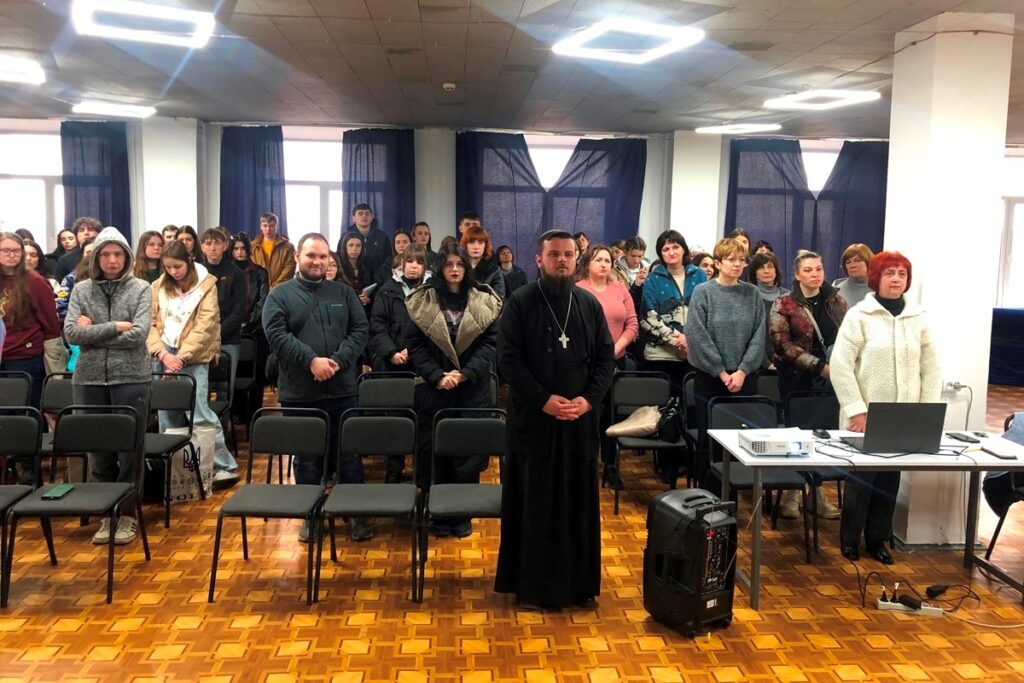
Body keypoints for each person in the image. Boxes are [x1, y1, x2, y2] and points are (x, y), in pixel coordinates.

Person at [494, 229, 615, 609]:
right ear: (539, 259)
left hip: (578, 422)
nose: (562, 260)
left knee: (577, 503)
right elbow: (508, 360)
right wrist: (543, 400)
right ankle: (532, 588)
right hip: (534, 422)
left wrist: (588, 400)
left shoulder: (588, 303)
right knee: (535, 503)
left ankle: (578, 587)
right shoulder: (520, 301)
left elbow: (605, 358)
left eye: (567, 254)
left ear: (576, 259)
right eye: (554, 254)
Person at [830, 251, 940, 564]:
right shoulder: (859, 316)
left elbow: (931, 367)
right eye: (889, 273)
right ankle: (850, 539)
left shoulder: (918, 317)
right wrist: (856, 410)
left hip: (903, 417)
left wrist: (925, 413)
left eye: (901, 274)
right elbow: (840, 365)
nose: (896, 279)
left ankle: (878, 540)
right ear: (876, 278)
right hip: (865, 416)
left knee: (889, 480)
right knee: (862, 479)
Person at [263, 233, 370, 542]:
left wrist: (337, 361)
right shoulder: (279, 295)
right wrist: (311, 361)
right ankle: (311, 515)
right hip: (300, 392)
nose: (318, 261)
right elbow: (276, 334)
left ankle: (355, 512)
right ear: (298, 256)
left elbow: (360, 330)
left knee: (349, 455)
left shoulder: (344, 293)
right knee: (307, 457)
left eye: (323, 256)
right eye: (311, 255)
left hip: (343, 388)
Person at [406, 244, 502, 537]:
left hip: (471, 388)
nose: (455, 269)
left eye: (460, 264)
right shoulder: (422, 299)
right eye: (449, 264)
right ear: (440, 268)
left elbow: (490, 344)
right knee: (436, 452)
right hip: (435, 388)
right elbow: (415, 345)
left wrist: (464, 374)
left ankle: (462, 514)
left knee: (467, 452)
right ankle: (438, 512)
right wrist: (437, 375)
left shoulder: (484, 299)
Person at [64, 227, 152, 545]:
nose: (112, 260)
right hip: (88, 379)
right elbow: (72, 333)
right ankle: (106, 514)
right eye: (105, 254)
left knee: (130, 451)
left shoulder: (141, 288)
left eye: (117, 254)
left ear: (126, 257)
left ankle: (126, 514)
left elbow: (139, 335)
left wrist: (93, 333)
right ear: (96, 258)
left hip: (132, 378)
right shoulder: (81, 290)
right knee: (98, 450)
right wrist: (115, 326)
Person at [148, 240, 238, 487]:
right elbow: (150, 323)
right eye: (168, 267)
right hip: (163, 355)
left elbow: (205, 325)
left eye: (177, 266)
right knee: (167, 415)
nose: (173, 272)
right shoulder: (157, 286)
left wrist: (181, 357)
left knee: (198, 413)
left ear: (188, 261)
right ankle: (178, 472)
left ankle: (223, 466)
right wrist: (162, 354)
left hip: (193, 357)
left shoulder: (206, 284)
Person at [768, 250, 846, 520]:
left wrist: (836, 367)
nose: (815, 274)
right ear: (797, 274)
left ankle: (817, 493)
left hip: (830, 381)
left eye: (818, 269)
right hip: (796, 379)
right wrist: (819, 367)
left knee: (823, 438)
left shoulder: (836, 301)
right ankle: (793, 493)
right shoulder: (784, 303)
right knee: (797, 438)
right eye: (808, 270)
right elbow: (782, 344)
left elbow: (848, 337)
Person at [686, 237, 766, 480]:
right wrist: (721, 372)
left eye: (742, 260)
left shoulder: (752, 293)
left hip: (744, 378)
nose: (737, 264)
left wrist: (743, 370)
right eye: (731, 259)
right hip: (711, 378)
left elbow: (759, 335)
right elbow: (697, 335)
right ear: (718, 263)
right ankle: (708, 494)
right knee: (710, 440)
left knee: (742, 438)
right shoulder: (703, 292)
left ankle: (738, 493)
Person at [576, 244, 639, 486]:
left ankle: (611, 466)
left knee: (611, 416)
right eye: (598, 260)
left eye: (607, 260)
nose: (603, 264)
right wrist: (601, 358)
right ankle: (586, 465)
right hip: (586, 363)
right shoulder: (578, 289)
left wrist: (613, 352)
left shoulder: (620, 288)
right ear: (587, 264)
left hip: (616, 360)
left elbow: (632, 323)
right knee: (588, 414)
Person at [0, 232, 61, 408]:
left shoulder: (34, 281)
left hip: (25, 357)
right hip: (3, 353)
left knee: (25, 409)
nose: (12, 255)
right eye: (6, 250)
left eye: (16, 251)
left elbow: (50, 323)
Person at [640, 230, 706, 391]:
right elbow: (647, 317)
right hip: (660, 356)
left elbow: (707, 313)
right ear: (660, 254)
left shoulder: (700, 275)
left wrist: (689, 340)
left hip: (694, 353)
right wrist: (677, 341)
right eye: (666, 249)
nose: (671, 252)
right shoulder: (652, 279)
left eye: (675, 247)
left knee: (692, 403)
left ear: (684, 249)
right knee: (660, 404)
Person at [200, 227, 246, 446]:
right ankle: (203, 435)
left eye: (217, 243)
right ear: (202, 246)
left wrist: (216, 333)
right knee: (203, 387)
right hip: (201, 340)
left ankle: (222, 437)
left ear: (225, 245)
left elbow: (238, 311)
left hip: (228, 340)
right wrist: (205, 335)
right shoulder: (197, 272)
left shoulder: (236, 273)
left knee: (225, 389)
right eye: (208, 243)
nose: (213, 248)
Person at [369, 245, 428, 374]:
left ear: (425, 267)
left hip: (426, 362)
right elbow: (377, 325)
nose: (414, 266)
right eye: (410, 261)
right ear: (403, 263)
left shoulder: (432, 291)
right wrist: (391, 352)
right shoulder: (386, 291)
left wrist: (414, 351)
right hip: (392, 361)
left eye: (419, 262)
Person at [746, 251, 790, 370]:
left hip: (787, 364)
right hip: (757, 365)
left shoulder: (788, 296)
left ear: (776, 271)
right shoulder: (748, 297)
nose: (766, 271)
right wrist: (766, 363)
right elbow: (748, 336)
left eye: (770, 266)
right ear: (754, 272)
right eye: (761, 267)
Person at [341, 203, 391, 287]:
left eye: (367, 214)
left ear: (372, 217)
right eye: (360, 213)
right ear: (354, 218)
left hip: (379, 282)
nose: (364, 216)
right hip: (353, 281)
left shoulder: (382, 237)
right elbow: (341, 259)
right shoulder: (345, 237)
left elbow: (388, 259)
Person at [230, 232, 269, 337]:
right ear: (232, 251)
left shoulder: (261, 272)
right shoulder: (227, 272)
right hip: (230, 325)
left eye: (243, 248)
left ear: (248, 249)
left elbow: (263, 300)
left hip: (255, 326)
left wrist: (250, 321)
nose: (239, 252)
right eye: (236, 249)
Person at [251, 212, 296, 289]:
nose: (268, 229)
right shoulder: (252, 246)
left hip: (280, 290)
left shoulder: (288, 247)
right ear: (260, 227)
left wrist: (274, 289)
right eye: (265, 226)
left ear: (277, 226)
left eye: (271, 226)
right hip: (258, 290)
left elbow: (289, 269)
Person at [56, 238, 96, 323]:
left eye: (96, 252)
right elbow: (61, 306)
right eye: (88, 252)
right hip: (77, 326)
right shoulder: (70, 278)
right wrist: (78, 320)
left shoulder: (112, 276)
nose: (92, 256)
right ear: (82, 255)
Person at [460, 225, 505, 298]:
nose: (476, 247)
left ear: (485, 245)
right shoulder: (459, 267)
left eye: (480, 242)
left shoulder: (494, 270)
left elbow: (499, 298)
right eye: (471, 242)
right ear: (465, 245)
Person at [337, 231, 373, 309]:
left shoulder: (367, 266)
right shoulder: (338, 266)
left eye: (358, 245)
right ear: (344, 247)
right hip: (344, 308)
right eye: (351, 245)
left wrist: (368, 299)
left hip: (363, 309)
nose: (354, 249)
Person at [833, 243, 875, 308]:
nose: (852, 265)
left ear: (868, 262)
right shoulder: (836, 291)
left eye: (858, 260)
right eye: (848, 262)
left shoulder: (880, 289)